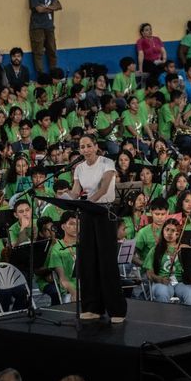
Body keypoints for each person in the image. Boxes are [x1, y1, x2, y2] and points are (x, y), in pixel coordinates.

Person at [70, 134, 127, 322]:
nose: (85, 149)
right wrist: (64, 199)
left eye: (88, 146)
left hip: (104, 212)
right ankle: (92, 307)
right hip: (87, 213)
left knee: (106, 261)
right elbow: (75, 191)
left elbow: (103, 189)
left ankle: (116, 310)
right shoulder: (79, 168)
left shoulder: (107, 163)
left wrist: (88, 202)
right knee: (88, 260)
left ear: (96, 147)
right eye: (82, 147)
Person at [28, 0, 62, 76]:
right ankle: (41, 75)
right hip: (37, 27)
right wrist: (52, 7)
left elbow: (59, 6)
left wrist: (46, 7)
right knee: (38, 52)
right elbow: (39, 9)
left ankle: (54, 74)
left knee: (52, 50)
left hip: (49, 27)